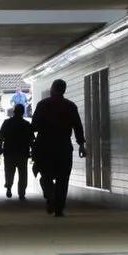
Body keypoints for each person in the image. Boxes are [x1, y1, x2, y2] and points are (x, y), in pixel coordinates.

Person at [30, 78, 86, 217]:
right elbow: (78, 126)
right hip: (64, 146)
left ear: (53, 89)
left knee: (45, 176)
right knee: (63, 178)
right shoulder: (71, 106)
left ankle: (50, 196)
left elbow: (34, 126)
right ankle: (59, 208)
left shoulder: (43, 105)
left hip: (45, 146)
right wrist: (81, 144)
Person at [0, 102, 33, 200]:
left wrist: (0, 147)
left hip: (9, 151)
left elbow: (1, 136)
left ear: (14, 112)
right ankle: (21, 193)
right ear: (23, 112)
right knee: (23, 174)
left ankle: (9, 186)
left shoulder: (7, 122)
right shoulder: (26, 124)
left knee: (9, 171)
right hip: (22, 152)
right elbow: (31, 140)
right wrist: (32, 151)